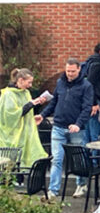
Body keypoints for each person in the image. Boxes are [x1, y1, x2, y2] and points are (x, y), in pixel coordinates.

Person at [36, 58, 93, 200]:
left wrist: (78, 124)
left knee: (77, 158)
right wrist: (43, 115)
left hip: (76, 128)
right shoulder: (60, 83)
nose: (70, 74)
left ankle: (81, 184)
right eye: (68, 71)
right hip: (58, 126)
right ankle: (53, 191)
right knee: (56, 159)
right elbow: (54, 101)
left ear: (79, 70)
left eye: (73, 71)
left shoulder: (86, 86)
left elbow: (87, 108)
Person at [0, 68, 48, 169]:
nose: (30, 85)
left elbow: (27, 112)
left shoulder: (25, 92)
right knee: (10, 162)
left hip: (25, 133)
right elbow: (10, 115)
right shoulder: (8, 94)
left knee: (23, 160)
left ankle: (20, 180)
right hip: (11, 135)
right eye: (29, 82)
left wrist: (37, 105)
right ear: (21, 80)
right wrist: (31, 104)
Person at [84, 42, 100, 145]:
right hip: (95, 101)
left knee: (87, 133)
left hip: (88, 100)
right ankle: (95, 160)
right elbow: (90, 83)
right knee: (95, 133)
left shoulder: (91, 62)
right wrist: (94, 102)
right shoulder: (98, 64)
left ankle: (86, 159)